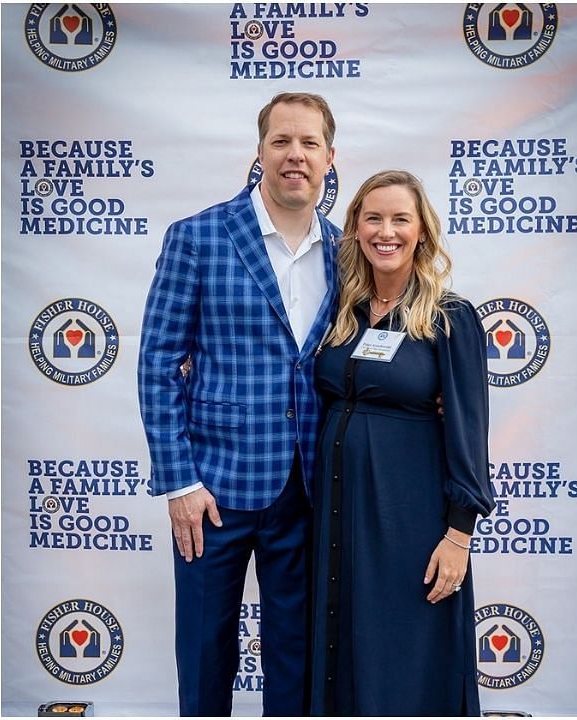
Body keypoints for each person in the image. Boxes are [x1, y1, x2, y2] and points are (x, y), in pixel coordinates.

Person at [138, 92, 339, 716]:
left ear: (330, 159)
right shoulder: (197, 237)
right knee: (205, 655)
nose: (294, 155)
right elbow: (156, 362)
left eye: (309, 143)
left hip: (308, 492)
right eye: (281, 142)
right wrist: (178, 481)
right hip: (212, 495)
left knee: (297, 661)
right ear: (259, 153)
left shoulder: (347, 250)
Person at [308, 170, 495, 716]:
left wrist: (459, 535)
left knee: (407, 650)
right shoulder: (338, 311)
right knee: (344, 646)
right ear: (355, 229)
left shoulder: (449, 317)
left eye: (399, 219)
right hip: (338, 516)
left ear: (421, 232)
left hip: (409, 520)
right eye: (373, 218)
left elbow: (469, 431)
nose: (384, 232)